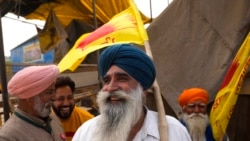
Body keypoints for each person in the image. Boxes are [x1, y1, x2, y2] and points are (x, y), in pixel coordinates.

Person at [73, 44, 191, 141]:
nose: (110, 87)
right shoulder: (86, 133)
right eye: (106, 80)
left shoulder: (174, 131)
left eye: (122, 78)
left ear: (143, 88)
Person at [0, 65, 66, 141]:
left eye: (54, 91)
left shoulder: (54, 119)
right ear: (29, 97)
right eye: (49, 92)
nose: (55, 98)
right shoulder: (8, 137)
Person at [52, 76, 94, 141]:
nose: (66, 103)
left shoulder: (87, 120)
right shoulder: (44, 122)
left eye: (70, 97)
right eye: (60, 99)